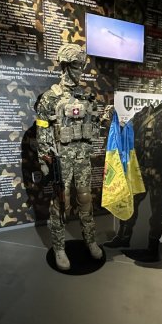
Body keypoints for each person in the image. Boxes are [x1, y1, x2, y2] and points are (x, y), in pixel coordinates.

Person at [35, 43, 103, 271]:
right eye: (75, 65)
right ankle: (59, 247)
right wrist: (45, 159)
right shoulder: (50, 98)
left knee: (85, 199)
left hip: (82, 157)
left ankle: (90, 240)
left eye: (81, 65)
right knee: (60, 202)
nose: (79, 70)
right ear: (64, 66)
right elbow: (42, 131)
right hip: (60, 159)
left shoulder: (87, 97)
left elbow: (93, 125)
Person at [104, 102, 162, 262]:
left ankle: (153, 248)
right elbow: (126, 132)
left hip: (159, 173)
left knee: (158, 211)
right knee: (129, 205)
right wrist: (113, 121)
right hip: (138, 171)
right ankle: (123, 237)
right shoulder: (140, 115)